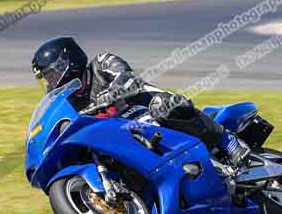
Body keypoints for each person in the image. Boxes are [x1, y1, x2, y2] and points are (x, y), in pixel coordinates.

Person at [31, 36, 250, 166]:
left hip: (150, 110)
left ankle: (226, 140)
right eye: (45, 79)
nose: (50, 82)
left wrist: (112, 93)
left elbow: (128, 78)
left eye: (51, 75)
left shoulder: (100, 64)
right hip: (125, 133)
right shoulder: (71, 102)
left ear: (68, 63)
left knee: (163, 107)